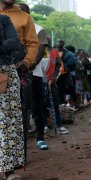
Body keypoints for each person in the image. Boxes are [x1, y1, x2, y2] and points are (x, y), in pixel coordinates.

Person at [17, 3, 49, 150]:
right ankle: (18, 142)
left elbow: (41, 50)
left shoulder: (38, 29)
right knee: (18, 108)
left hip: (33, 74)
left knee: (36, 106)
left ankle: (40, 137)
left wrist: (30, 63)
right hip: (14, 73)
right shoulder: (10, 28)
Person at [0, 14, 23, 180]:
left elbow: (14, 42)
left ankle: (9, 170)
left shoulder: (3, 19)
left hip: (5, 73)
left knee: (9, 121)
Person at [56, 39, 76, 108]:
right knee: (57, 90)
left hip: (64, 74)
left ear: (63, 43)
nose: (59, 43)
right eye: (58, 42)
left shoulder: (68, 53)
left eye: (61, 42)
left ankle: (67, 104)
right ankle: (60, 104)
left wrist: (65, 66)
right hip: (55, 75)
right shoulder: (53, 51)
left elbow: (73, 62)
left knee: (67, 89)